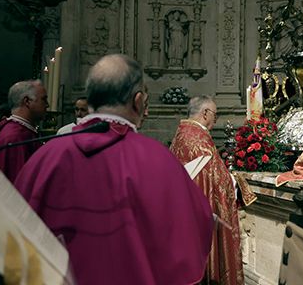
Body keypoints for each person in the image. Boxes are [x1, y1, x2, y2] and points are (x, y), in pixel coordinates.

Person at [14, 54, 213, 285]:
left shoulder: (44, 158)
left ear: (90, 99)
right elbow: (191, 230)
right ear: (138, 101)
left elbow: (14, 239)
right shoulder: (157, 158)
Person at [170, 95, 245, 285]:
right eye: (215, 115)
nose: (215, 119)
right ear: (205, 113)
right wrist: (236, 181)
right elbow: (216, 179)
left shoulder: (182, 133)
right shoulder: (198, 138)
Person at [0, 80, 48, 183]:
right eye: (44, 99)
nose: (47, 105)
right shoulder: (15, 137)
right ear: (27, 101)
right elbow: (19, 183)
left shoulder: (23, 131)